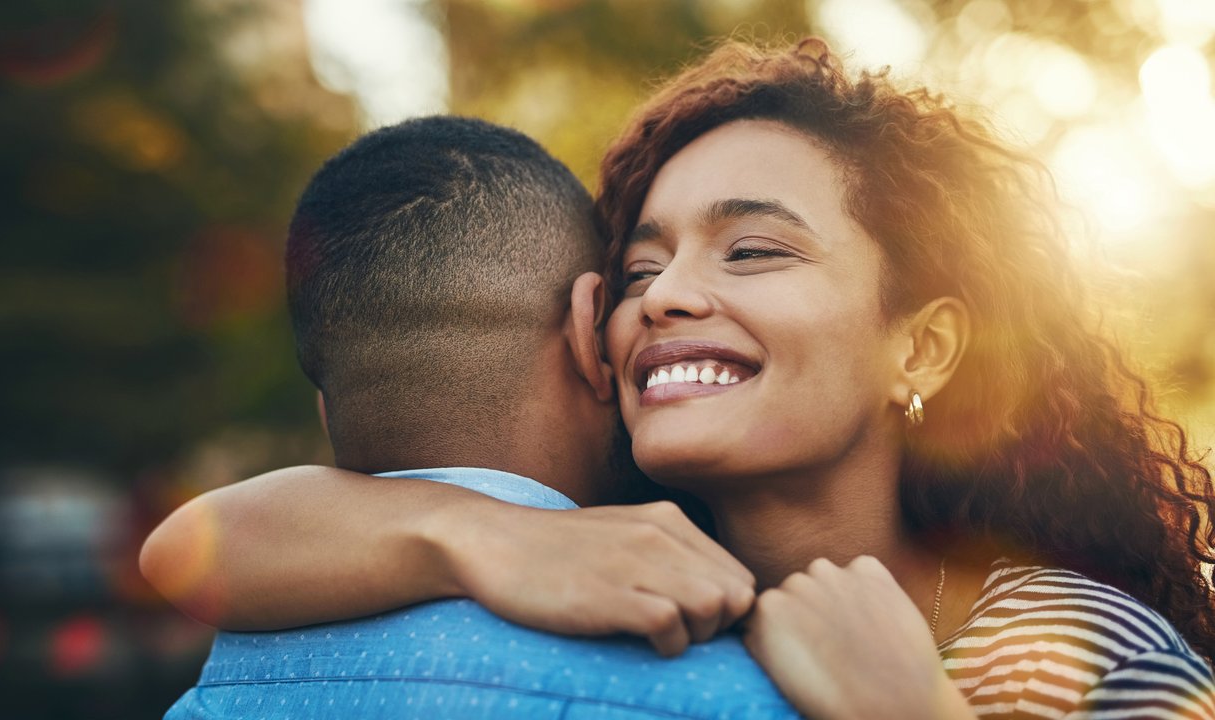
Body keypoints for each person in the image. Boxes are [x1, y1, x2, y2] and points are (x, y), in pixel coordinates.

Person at [147, 39, 1215, 718]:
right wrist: (485, 535)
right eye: (638, 269)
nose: (662, 298)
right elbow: (203, 545)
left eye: (750, 250)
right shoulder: (610, 565)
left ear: (919, 348)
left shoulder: (1068, 646)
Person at [147, 115, 796, 719]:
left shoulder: (218, 687)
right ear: (587, 331)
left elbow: (177, 549)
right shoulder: (734, 688)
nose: (666, 304)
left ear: (325, 410)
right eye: (641, 273)